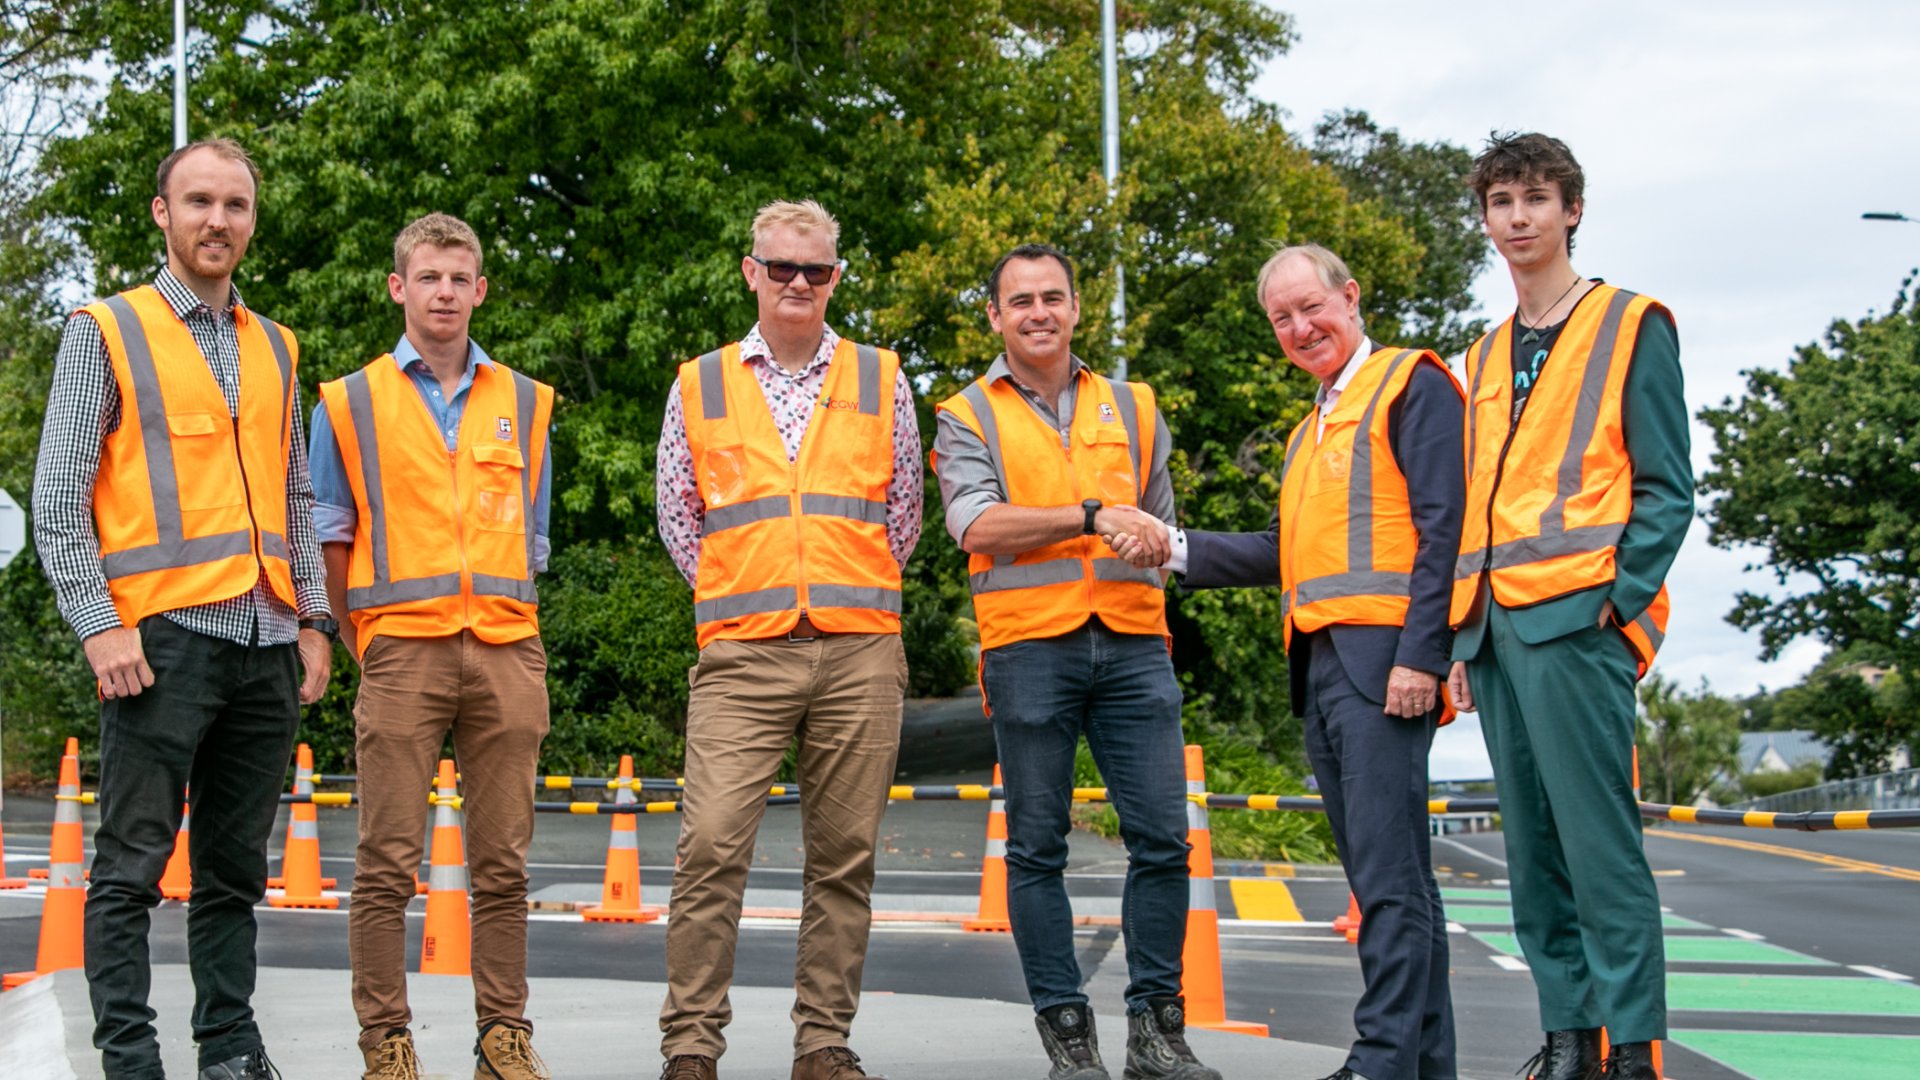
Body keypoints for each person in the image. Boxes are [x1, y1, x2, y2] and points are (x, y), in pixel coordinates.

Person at [1112, 244, 1463, 1080]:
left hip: (1386, 665)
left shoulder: (1410, 384)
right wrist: (1173, 548)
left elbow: (1446, 525)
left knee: (1389, 880)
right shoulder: (1313, 427)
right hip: (1325, 666)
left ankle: (1379, 1059)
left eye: (1313, 308)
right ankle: (1423, 1065)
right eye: (1282, 319)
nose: (1302, 328)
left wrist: (1425, 654)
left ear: (1351, 296)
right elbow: (1286, 551)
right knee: (1393, 879)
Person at [33, 137, 332, 1080]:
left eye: (235, 206)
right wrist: (98, 623)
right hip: (158, 642)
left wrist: (315, 620)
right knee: (127, 871)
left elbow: (292, 496)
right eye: (198, 201)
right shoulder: (107, 329)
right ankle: (130, 1059)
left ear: (251, 220)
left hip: (264, 640)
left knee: (233, 876)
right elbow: (59, 496)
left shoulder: (276, 344)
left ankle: (230, 1052)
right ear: (163, 214)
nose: (218, 220)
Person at [932, 243, 1218, 1080]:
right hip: (1027, 647)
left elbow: (1163, 531)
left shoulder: (1134, 405)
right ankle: (1070, 1045)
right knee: (1037, 848)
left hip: (1133, 642)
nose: (1038, 312)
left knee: (1165, 839)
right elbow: (976, 527)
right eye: (1019, 300)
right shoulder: (967, 413)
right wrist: (1091, 514)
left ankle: (1157, 1037)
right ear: (995, 316)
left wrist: (1148, 542)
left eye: (1052, 296)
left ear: (1077, 307)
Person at [653, 199, 922, 1080]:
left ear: (836, 277)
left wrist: (834, 583)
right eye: (782, 268)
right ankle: (692, 1046)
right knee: (710, 849)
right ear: (751, 272)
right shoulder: (701, 382)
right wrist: (747, 589)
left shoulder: (884, 378)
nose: (799, 283)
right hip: (742, 652)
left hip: (858, 650)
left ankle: (823, 1044)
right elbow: (679, 519)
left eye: (816, 270)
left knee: (844, 857)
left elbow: (903, 517)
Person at [1444, 132, 1692, 1080]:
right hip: (1499, 630)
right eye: (1502, 202)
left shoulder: (1633, 324)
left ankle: (1631, 1048)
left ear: (1571, 210)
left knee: (1601, 848)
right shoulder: (1485, 351)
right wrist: (1463, 636)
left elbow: (1668, 486)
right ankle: (1568, 1041)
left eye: (1536, 200)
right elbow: (1477, 497)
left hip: (1578, 621)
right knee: (1533, 851)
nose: (1518, 219)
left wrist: (1619, 602)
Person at [308, 213, 556, 1080]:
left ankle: (504, 1039)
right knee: (384, 863)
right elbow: (329, 539)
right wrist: (363, 639)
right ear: (398, 288)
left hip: (505, 648)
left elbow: (536, 539)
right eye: (429, 277)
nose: (444, 292)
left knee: (504, 864)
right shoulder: (346, 402)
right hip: (402, 651)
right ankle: (387, 1043)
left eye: (460, 278)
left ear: (479, 289)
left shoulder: (525, 402)